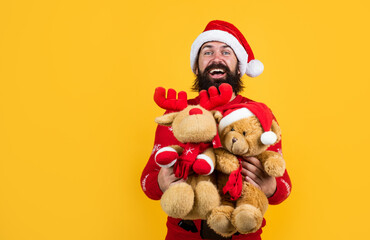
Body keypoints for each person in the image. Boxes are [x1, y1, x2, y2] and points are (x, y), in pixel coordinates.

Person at [140, 20, 292, 240]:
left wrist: (271, 188)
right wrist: (161, 183)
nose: (216, 58)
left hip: (244, 232)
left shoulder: (258, 115)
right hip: (184, 234)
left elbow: (284, 188)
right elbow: (147, 183)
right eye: (207, 52)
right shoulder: (179, 116)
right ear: (197, 65)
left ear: (239, 65)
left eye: (226, 51)